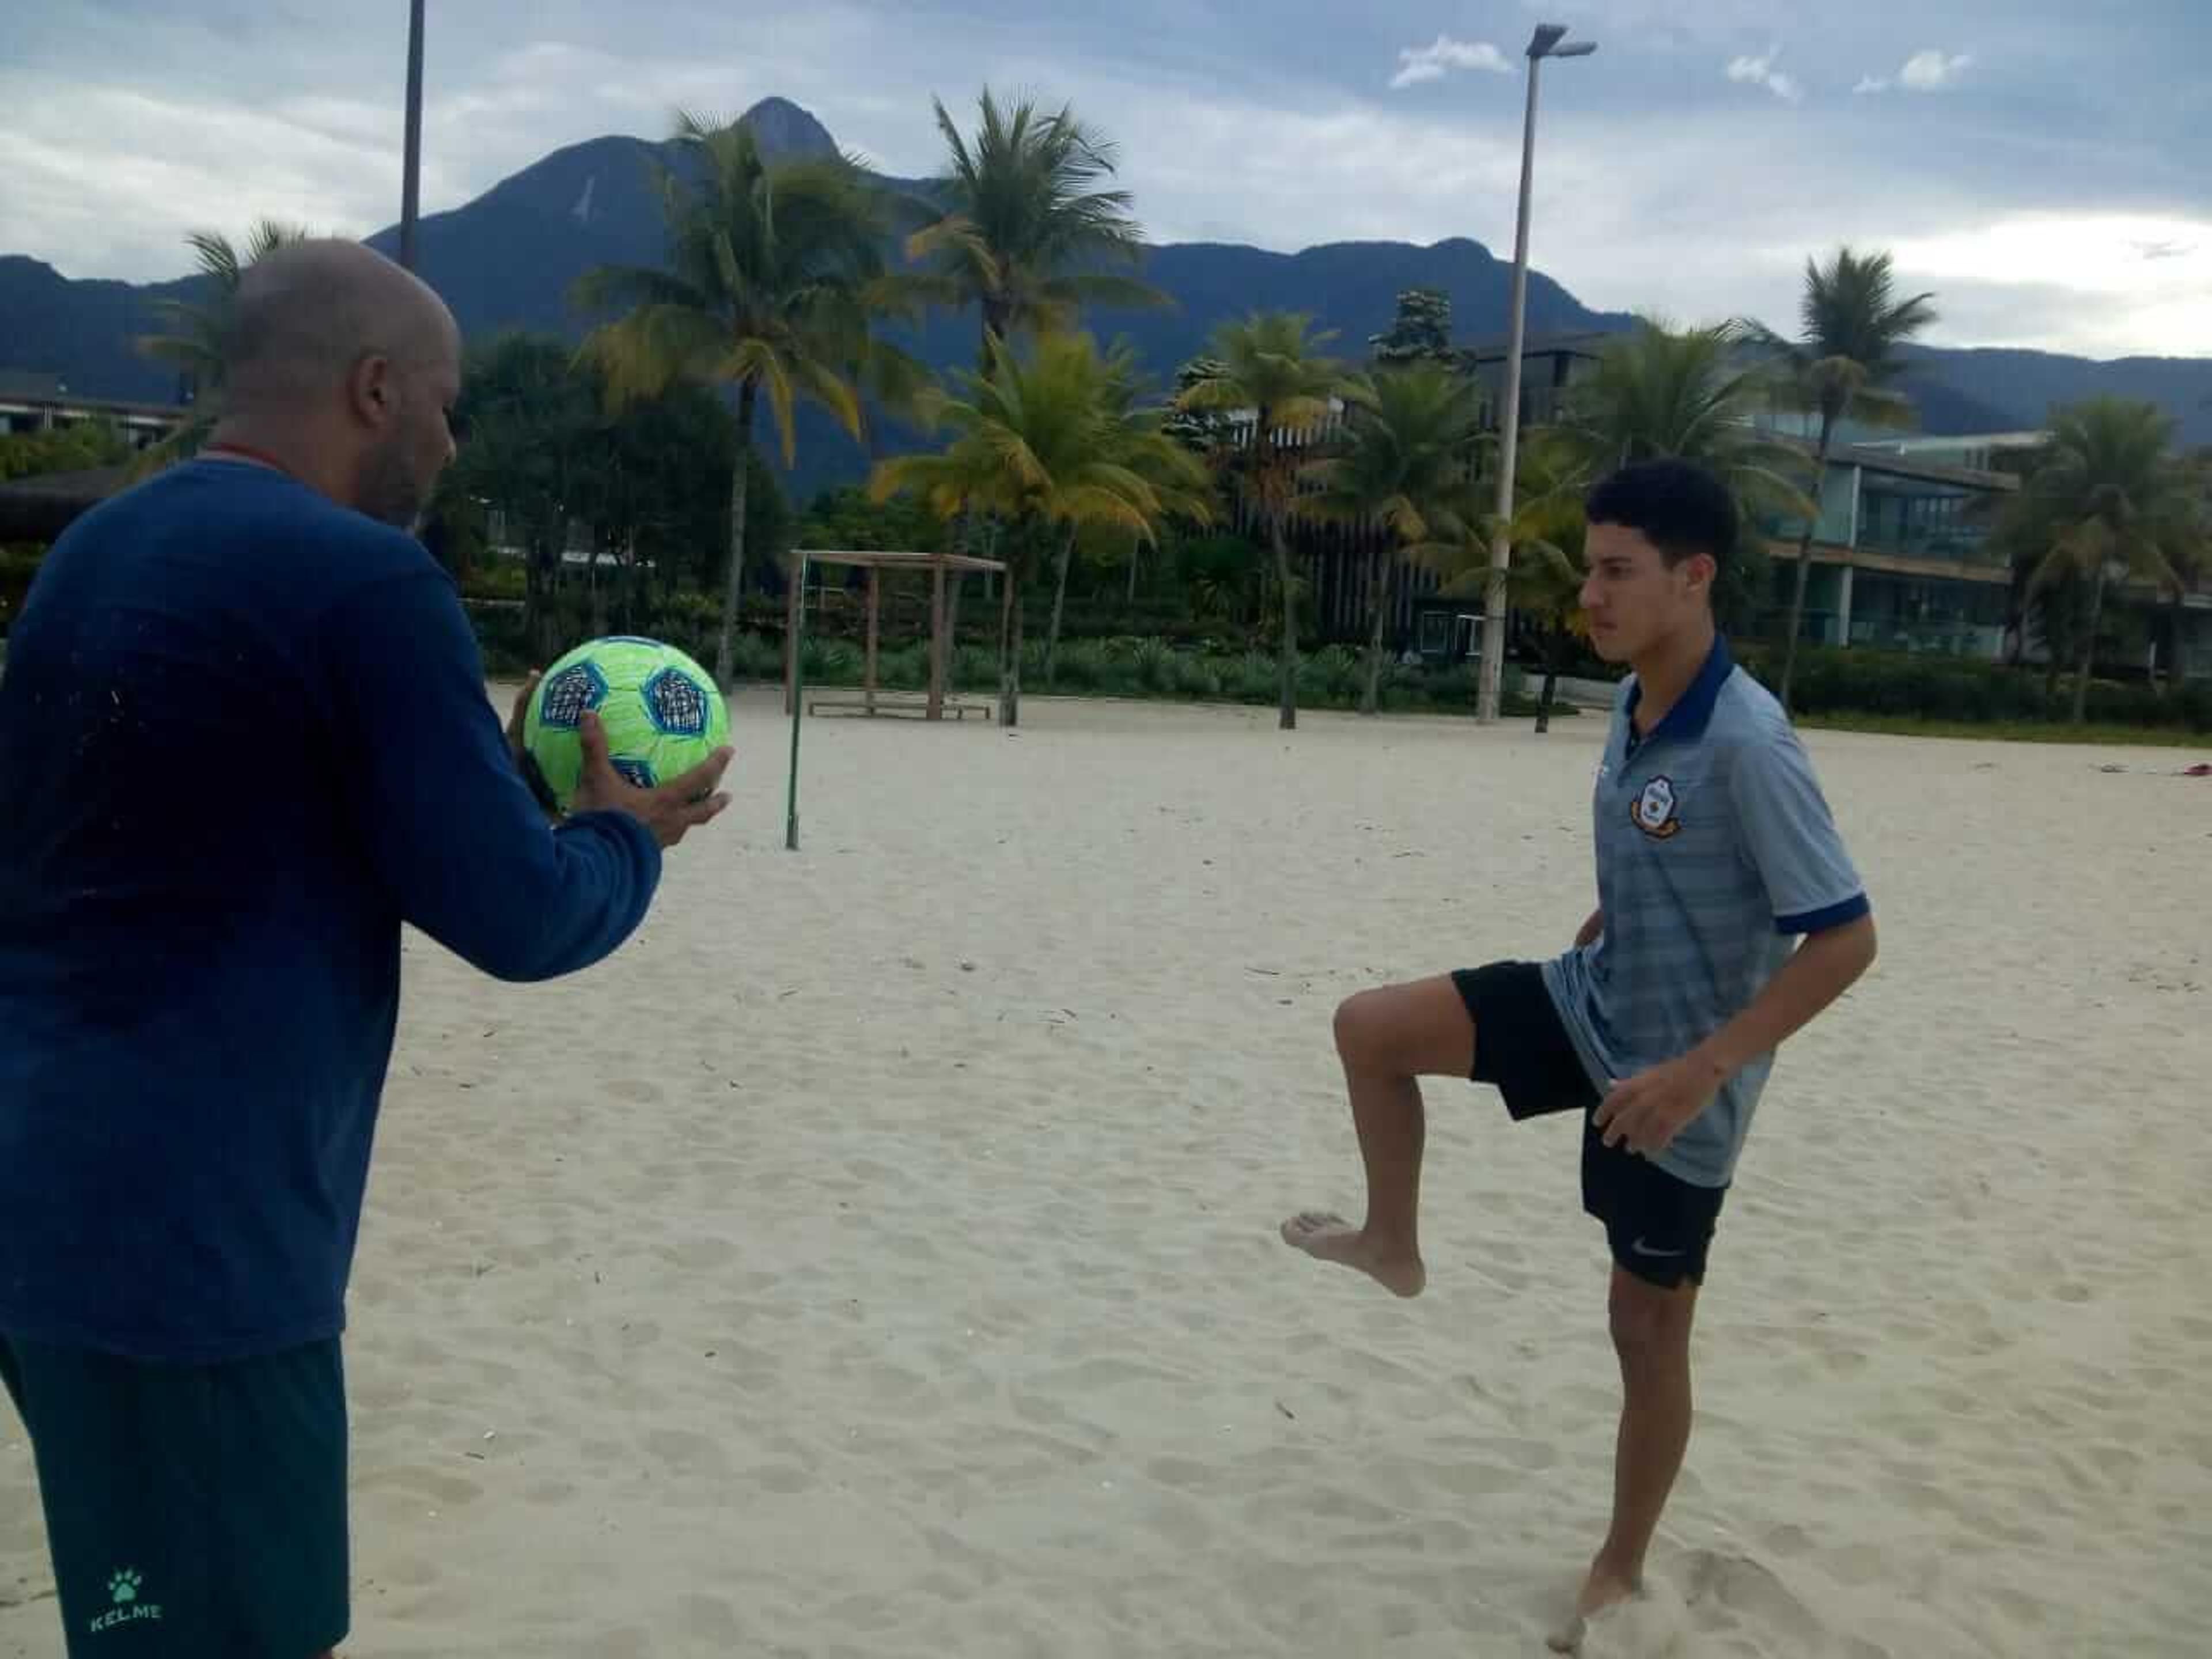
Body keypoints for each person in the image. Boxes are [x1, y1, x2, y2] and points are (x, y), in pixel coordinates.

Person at [0, 240, 733, 1659]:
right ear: (377, 388)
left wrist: (507, 794)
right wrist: (622, 835)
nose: (453, 440)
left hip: (41, 1198)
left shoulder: (104, 546)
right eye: (448, 405)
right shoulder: (366, 583)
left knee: (141, 1617)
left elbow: (227, 813)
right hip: (197, 1242)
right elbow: (521, 916)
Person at [1279, 458, 1878, 1648]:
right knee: (1368, 1030)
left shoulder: (1751, 745)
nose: (1590, 595)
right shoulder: (1634, 701)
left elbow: (1845, 939)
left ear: (1694, 577)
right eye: (1588, 569)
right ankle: (1392, 1242)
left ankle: (1618, 1564)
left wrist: (1703, 1067)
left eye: (1617, 572)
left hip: (1677, 1089)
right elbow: (1661, 837)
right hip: (1587, 1002)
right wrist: (1618, 908)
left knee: (1645, 1330)